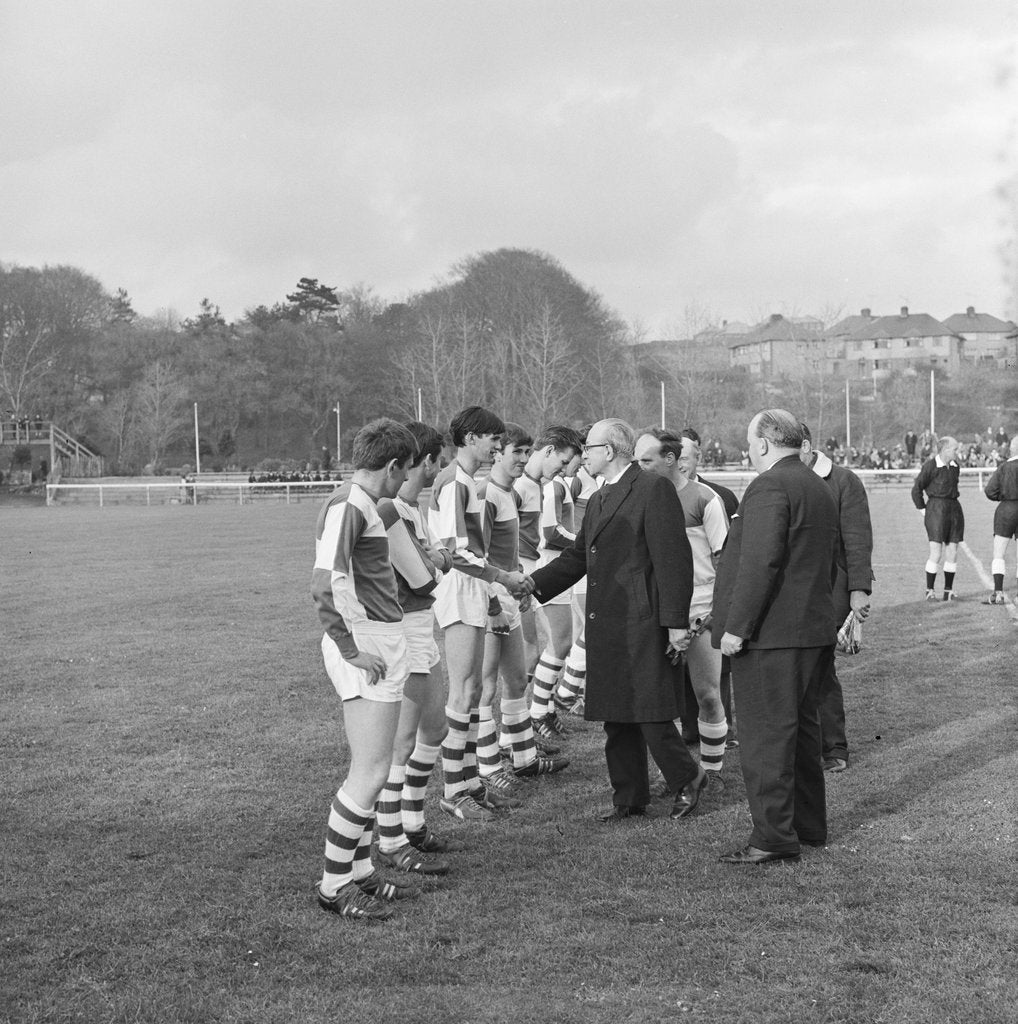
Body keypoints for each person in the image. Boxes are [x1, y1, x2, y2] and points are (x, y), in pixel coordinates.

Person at [526, 418, 705, 822]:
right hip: (609, 619)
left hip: (643, 619)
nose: (583, 454)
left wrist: (676, 622)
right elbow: (577, 558)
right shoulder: (602, 496)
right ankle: (629, 797)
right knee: (617, 715)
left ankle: (687, 777)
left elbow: (673, 560)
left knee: (648, 712)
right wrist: (532, 584)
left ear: (608, 451)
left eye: (588, 447)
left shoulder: (652, 488)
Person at [712, 410, 839, 865]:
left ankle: (771, 838)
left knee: (766, 737)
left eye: (749, 443)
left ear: (765, 443)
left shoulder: (769, 485)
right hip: (810, 629)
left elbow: (759, 562)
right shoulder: (816, 485)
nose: (748, 451)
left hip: (773, 634)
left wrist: (735, 628)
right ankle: (807, 826)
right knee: (803, 733)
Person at [312, 417, 420, 921]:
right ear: (393, 465)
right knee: (371, 771)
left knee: (372, 772)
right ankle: (334, 887)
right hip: (367, 645)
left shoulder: (357, 505)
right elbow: (324, 584)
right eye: (406, 472)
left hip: (379, 640)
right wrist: (351, 649)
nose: (405, 483)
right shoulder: (350, 504)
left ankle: (358, 873)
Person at [428, 406, 532, 822]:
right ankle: (454, 791)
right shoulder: (455, 481)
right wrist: (501, 578)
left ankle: (470, 782)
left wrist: (490, 591)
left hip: (472, 585)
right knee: (464, 690)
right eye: (492, 439)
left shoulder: (468, 482)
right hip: (457, 587)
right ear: (470, 438)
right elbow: (455, 553)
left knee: (470, 692)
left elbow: (474, 552)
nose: (496, 447)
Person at [373, 421, 460, 877]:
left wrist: (435, 558)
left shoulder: (409, 508)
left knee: (435, 729)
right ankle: (391, 840)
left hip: (420, 624)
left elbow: (430, 562)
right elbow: (423, 573)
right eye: (434, 463)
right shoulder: (390, 509)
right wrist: (436, 559)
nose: (435, 471)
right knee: (402, 742)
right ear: (421, 461)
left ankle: (411, 821)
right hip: (404, 627)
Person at [477, 424, 568, 797]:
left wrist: (522, 587)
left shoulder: (509, 492)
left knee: (516, 681)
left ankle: (524, 758)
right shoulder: (484, 494)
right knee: (483, 688)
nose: (523, 459)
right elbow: (476, 558)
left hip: (511, 594)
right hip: (489, 600)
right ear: (497, 452)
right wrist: (495, 601)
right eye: (516, 451)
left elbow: (509, 551)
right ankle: (487, 765)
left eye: (526, 452)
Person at [635, 429, 729, 780]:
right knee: (661, 700)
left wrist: (714, 612)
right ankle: (673, 774)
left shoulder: (704, 498)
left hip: (700, 612)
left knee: (706, 694)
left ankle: (712, 770)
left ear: (670, 459)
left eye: (647, 460)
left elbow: (725, 559)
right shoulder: (641, 496)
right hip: (657, 612)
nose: (640, 467)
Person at [800, 423, 874, 773]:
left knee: (821, 669)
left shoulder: (844, 481)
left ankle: (834, 749)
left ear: (805, 445)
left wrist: (858, 590)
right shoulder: (778, 478)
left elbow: (858, 539)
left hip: (832, 590)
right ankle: (806, 746)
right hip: (792, 593)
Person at [513, 427, 584, 742]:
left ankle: (538, 714)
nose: (571, 468)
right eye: (569, 461)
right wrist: (584, 543)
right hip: (542, 569)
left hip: (547, 570)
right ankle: (529, 720)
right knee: (549, 646)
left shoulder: (550, 485)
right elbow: (549, 533)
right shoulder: (542, 487)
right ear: (551, 451)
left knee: (555, 645)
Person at [911, 436, 964, 601]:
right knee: (936, 552)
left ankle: (948, 591)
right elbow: (916, 490)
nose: (957, 452)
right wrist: (924, 511)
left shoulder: (955, 466)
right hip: (936, 510)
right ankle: (930, 591)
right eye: (955, 449)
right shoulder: (930, 466)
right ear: (945, 449)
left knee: (953, 552)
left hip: (954, 510)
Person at [982, 436, 1018, 604]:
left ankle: (998, 592)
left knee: (999, 552)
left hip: (1006, 510)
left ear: (1011, 449)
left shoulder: (1003, 467)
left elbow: (989, 491)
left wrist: (1002, 498)